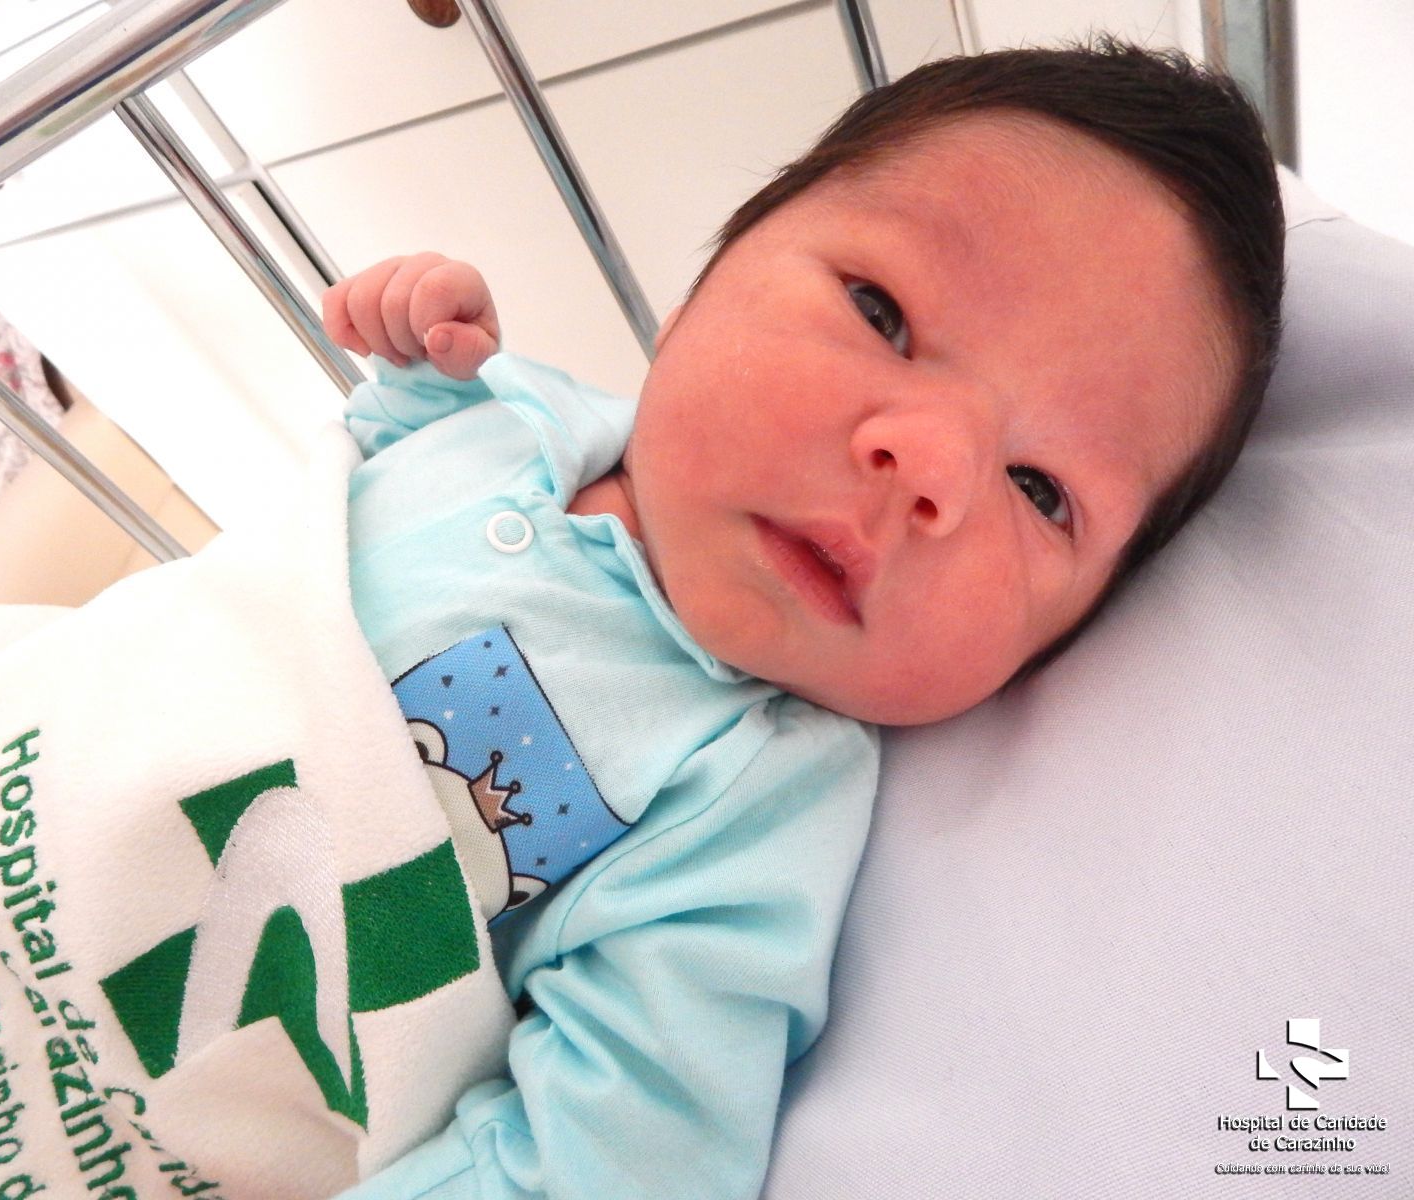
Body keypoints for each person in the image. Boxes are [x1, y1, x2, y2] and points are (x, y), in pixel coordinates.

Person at [320, 38, 1285, 1199]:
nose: (930, 459)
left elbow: (611, 1162)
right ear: (699, 288)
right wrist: (413, 377)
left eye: (1039, 491)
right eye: (881, 313)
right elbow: (344, 508)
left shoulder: (747, 805)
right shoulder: (509, 416)